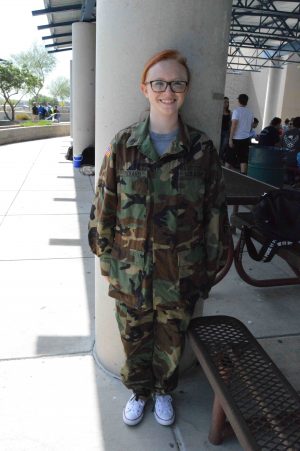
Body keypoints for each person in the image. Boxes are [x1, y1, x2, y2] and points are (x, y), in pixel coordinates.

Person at [88, 49, 230, 427]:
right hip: (130, 269)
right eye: (159, 83)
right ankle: (139, 391)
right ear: (145, 88)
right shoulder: (123, 145)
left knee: (171, 340)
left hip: (181, 272)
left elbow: (215, 212)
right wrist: (104, 258)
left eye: (177, 83)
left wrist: (211, 269)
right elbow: (105, 206)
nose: (168, 91)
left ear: (186, 89)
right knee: (134, 338)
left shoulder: (201, 149)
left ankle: (164, 390)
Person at [226, 93, 254, 174]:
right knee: (243, 159)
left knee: (229, 158)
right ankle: (243, 176)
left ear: (238, 101)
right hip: (245, 138)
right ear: (246, 102)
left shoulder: (236, 111)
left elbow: (234, 125)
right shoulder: (250, 113)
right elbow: (251, 127)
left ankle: (226, 175)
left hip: (236, 138)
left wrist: (230, 139)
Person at [219, 96, 231, 162]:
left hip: (226, 132)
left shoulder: (229, 113)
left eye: (227, 102)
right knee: (219, 145)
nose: (226, 103)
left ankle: (220, 157)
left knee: (224, 145)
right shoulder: (219, 112)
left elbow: (230, 123)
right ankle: (218, 158)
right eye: (225, 102)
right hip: (219, 131)